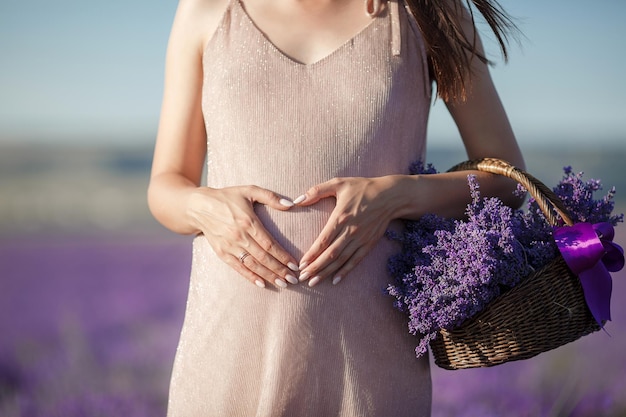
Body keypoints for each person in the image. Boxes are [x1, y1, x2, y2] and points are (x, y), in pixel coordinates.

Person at [147, 0, 525, 415]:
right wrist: (205, 207)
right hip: (228, 353)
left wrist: (399, 195)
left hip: (372, 360)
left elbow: (508, 181)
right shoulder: (206, 9)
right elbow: (166, 187)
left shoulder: (430, 12)